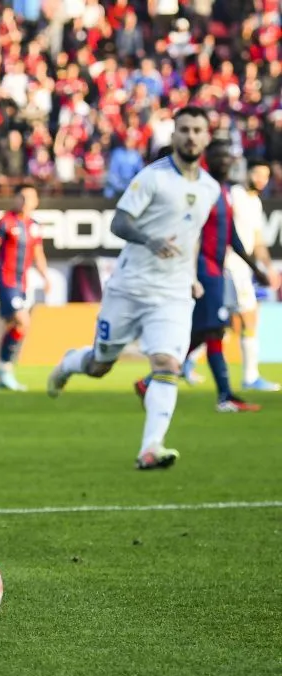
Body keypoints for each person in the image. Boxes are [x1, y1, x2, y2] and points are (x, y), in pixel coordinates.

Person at [46, 107, 221, 470]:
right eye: (184, 129)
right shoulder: (152, 178)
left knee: (167, 363)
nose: (190, 136)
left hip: (172, 293)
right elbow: (119, 222)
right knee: (99, 365)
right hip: (130, 287)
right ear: (174, 135)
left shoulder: (210, 188)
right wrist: (149, 239)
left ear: (206, 137)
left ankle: (151, 447)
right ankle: (69, 363)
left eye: (197, 130)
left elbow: (191, 236)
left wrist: (190, 276)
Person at [135, 141, 269, 411]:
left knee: (203, 331)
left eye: (228, 156)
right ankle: (225, 396)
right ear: (208, 158)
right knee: (213, 330)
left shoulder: (223, 192)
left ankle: (150, 381)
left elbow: (232, 237)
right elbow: (188, 233)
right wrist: (189, 274)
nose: (225, 160)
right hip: (202, 272)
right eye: (218, 156)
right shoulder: (201, 190)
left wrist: (256, 269)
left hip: (216, 272)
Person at [0, 184, 50, 391]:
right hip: (6, 279)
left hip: (22, 282)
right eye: (21, 197)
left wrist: (46, 277)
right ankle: (5, 369)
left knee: (13, 325)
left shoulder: (34, 225)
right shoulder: (6, 222)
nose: (24, 201)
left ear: (35, 201)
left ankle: (4, 372)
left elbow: (38, 254)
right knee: (23, 320)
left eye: (29, 197)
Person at [225, 159, 281, 391]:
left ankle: (187, 360)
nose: (261, 179)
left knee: (229, 323)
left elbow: (257, 241)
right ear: (247, 173)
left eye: (266, 176)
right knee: (250, 318)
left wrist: (268, 268)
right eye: (258, 173)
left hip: (243, 268)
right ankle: (250, 377)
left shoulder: (255, 203)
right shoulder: (234, 194)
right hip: (230, 265)